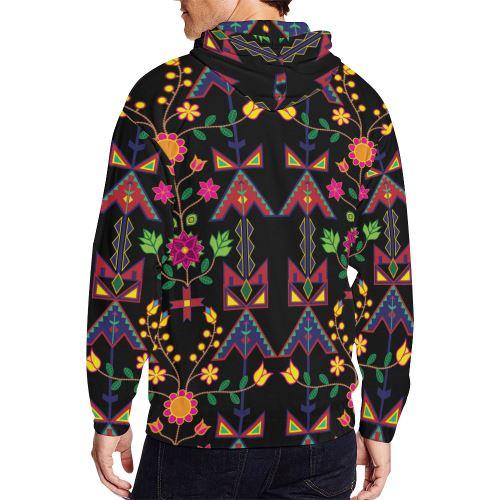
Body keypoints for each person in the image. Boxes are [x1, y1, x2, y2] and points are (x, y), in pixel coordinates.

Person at [86, 0, 414, 498]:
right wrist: (380, 417)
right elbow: (388, 273)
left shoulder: (164, 98)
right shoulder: (357, 103)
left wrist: (111, 408)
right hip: (320, 431)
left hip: (195, 431)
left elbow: (123, 265)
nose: (179, 2)